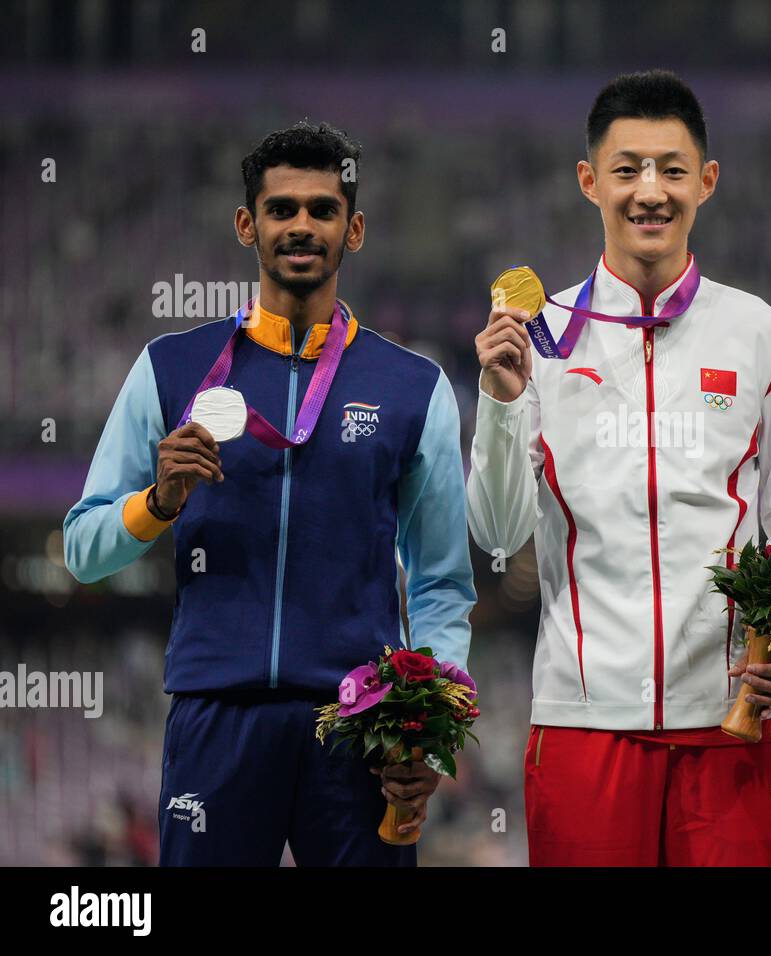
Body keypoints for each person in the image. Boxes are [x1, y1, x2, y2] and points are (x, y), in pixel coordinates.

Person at [63, 121, 475, 866]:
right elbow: (84, 550)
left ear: (354, 231)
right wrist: (157, 502)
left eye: (323, 209)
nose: (302, 226)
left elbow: (442, 583)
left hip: (360, 729)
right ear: (247, 225)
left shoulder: (415, 388)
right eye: (282, 209)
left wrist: (429, 731)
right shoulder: (169, 367)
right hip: (216, 719)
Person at [467, 71, 771, 866]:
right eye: (626, 169)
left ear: (707, 181)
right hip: (583, 724)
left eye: (671, 168)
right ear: (590, 181)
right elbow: (496, 530)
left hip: (731, 720)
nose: (649, 191)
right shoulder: (535, 336)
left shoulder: (768, 339)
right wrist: (497, 402)